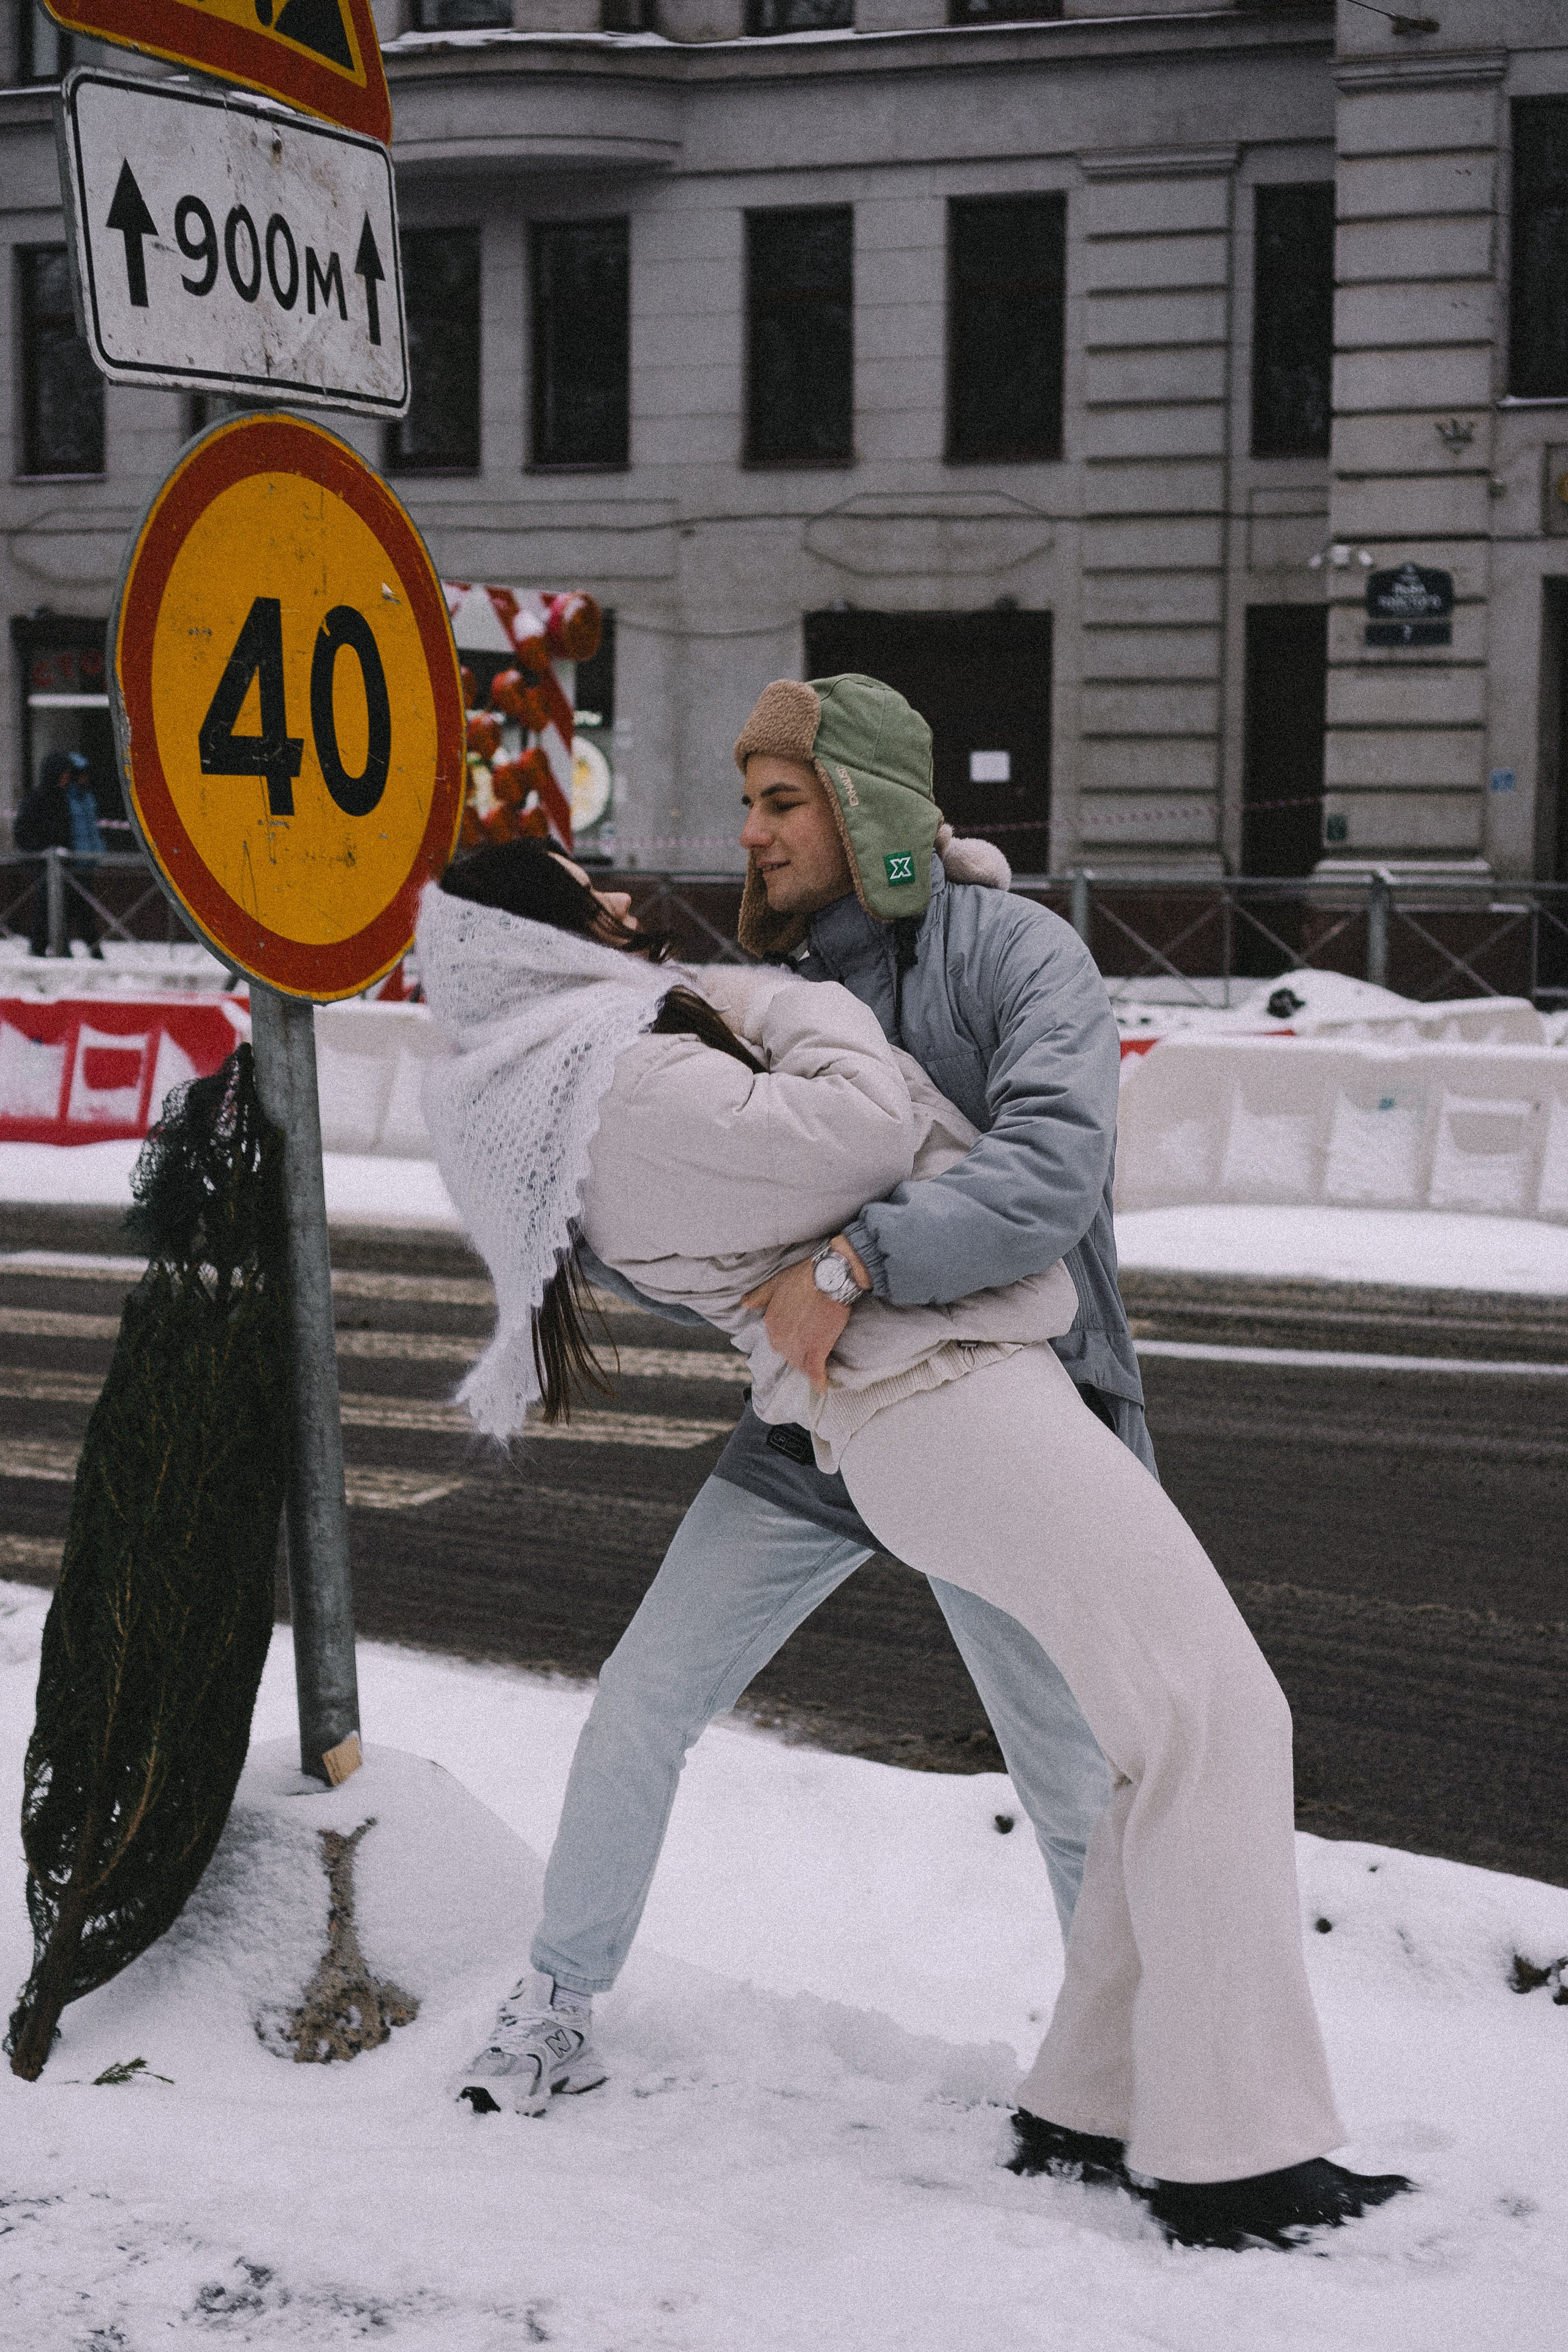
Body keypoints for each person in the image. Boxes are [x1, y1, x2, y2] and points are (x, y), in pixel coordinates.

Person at [417, 833, 1413, 2251]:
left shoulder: (639, 1045)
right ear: (536, 934)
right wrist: (792, 1054)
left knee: (1108, 1751)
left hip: (909, 1391)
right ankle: (1224, 2150)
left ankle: (1095, 2093)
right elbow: (865, 1127)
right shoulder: (634, 1074)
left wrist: (936, 919)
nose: (631, 900)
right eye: (589, 893)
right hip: (907, 1398)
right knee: (1202, 1719)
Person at [13, 749, 102, 957]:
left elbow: (70, 831)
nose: (67, 779)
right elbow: (22, 831)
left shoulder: (64, 799)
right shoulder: (38, 798)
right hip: (44, 862)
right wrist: (42, 852)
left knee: (70, 906)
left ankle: (62, 949)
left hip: (66, 863)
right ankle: (40, 949)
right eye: (63, 774)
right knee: (48, 905)